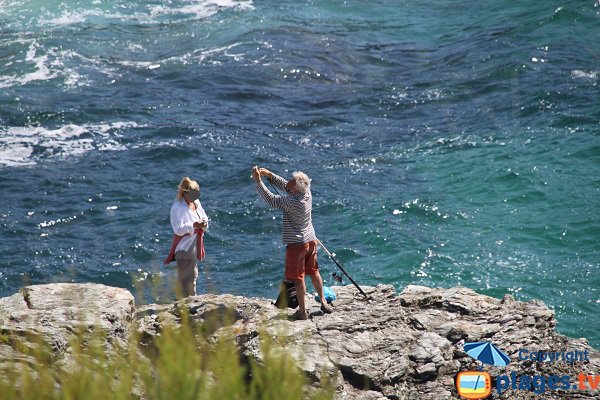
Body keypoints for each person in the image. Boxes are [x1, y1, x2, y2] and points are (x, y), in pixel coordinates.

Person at [252, 166, 333, 320]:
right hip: (311, 239)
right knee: (314, 271)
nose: (288, 181)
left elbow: (271, 199)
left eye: (292, 180)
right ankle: (323, 301)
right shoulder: (307, 193)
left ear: (295, 188)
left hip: (298, 245)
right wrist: (269, 175)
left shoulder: (291, 202)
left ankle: (302, 312)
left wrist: (258, 181)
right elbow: (286, 185)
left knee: (298, 278)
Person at [164, 177, 208, 298]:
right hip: (184, 247)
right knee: (186, 282)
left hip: (194, 246)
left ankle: (186, 309)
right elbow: (177, 229)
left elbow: (204, 216)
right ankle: (185, 310)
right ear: (185, 192)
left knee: (193, 278)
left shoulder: (196, 203)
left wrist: (204, 223)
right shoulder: (177, 207)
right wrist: (193, 226)